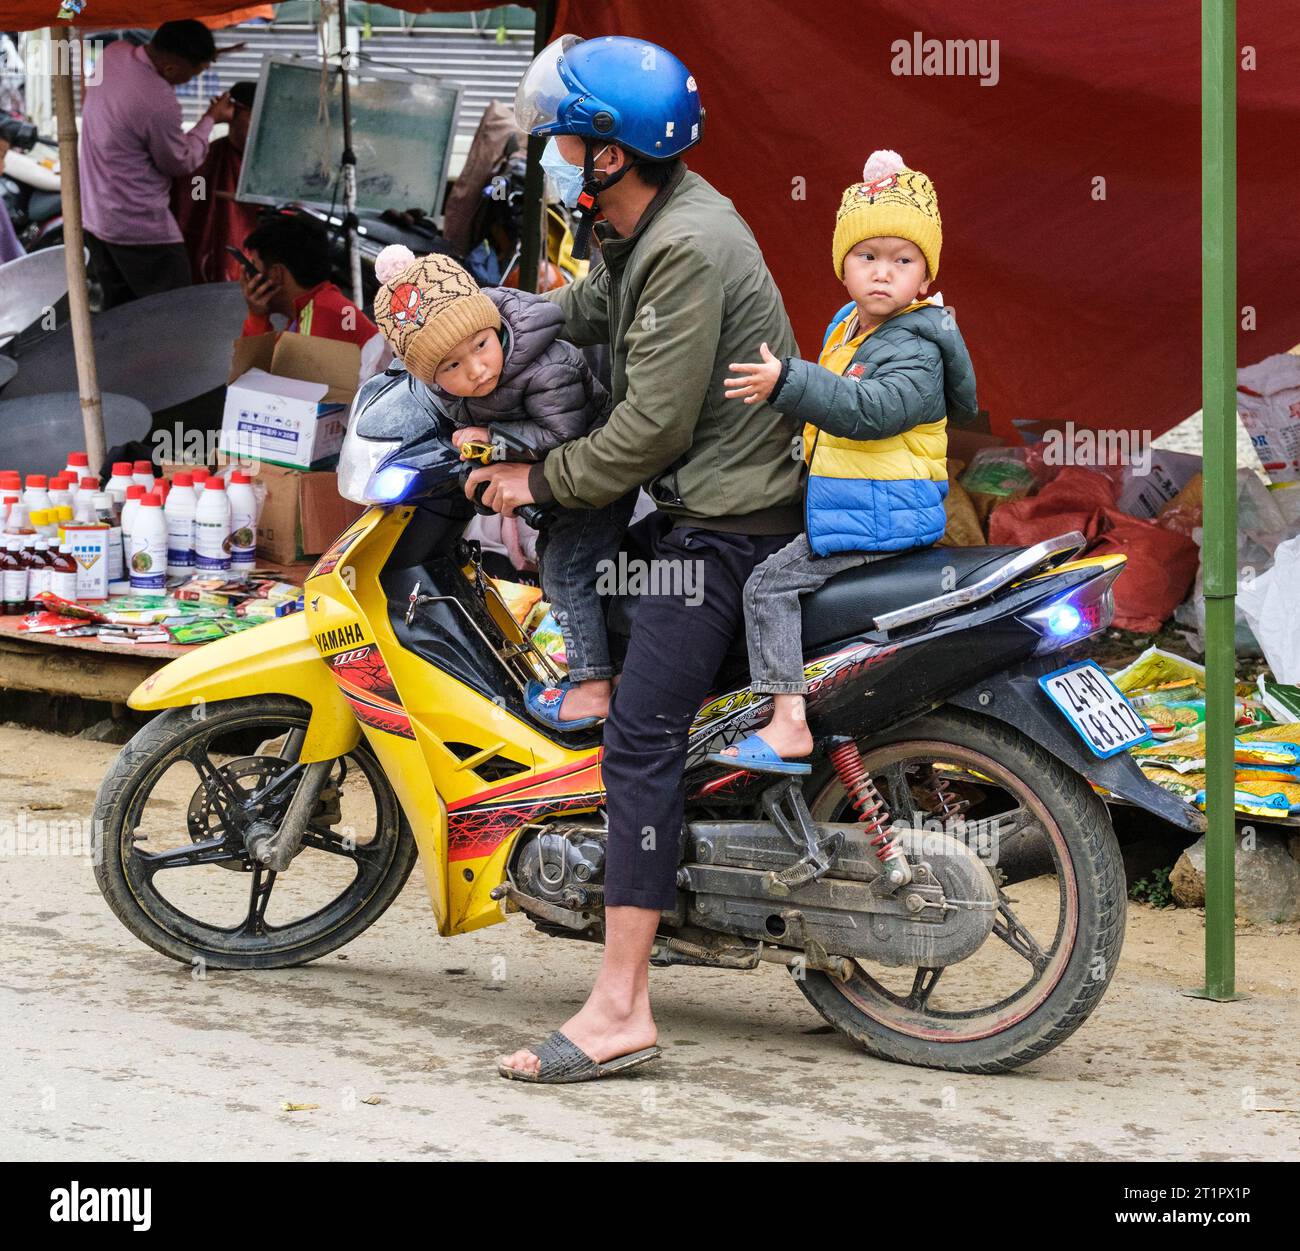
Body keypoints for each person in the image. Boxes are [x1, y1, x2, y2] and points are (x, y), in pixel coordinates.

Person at [467, 35, 804, 1083]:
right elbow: (586, 311)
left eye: (568, 133)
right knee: (594, 618)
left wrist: (540, 479)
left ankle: (620, 1008)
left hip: (722, 535)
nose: (557, 148)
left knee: (639, 741)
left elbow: (650, 429)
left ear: (608, 151)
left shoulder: (688, 244)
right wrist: (474, 336)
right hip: (700, 515)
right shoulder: (649, 223)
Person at [710, 149, 979, 773]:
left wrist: (787, 382)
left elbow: (869, 410)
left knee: (768, 585)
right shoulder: (848, 326)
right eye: (868, 257)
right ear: (843, 265)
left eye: (902, 261)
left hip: (884, 514)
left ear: (925, 276)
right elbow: (827, 409)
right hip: (855, 502)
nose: (883, 273)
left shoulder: (917, 346)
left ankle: (787, 722)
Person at [371, 243, 631, 729]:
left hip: (593, 479)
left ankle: (594, 689)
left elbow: (563, 434)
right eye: (450, 367)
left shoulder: (546, 364)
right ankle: (609, 676)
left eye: (480, 346)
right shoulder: (451, 380)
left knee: (565, 572)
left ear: (493, 323)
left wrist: (494, 441)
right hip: (551, 478)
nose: (475, 370)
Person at [79, 22, 234, 308]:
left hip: (96, 218)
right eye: (194, 74)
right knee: (174, 315)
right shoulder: (158, 100)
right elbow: (180, 161)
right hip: (138, 227)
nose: (192, 80)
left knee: (121, 314)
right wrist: (211, 119)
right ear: (171, 68)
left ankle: (122, 355)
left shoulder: (113, 53)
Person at [240, 211, 390, 378]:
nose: (247, 276)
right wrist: (257, 315)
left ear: (276, 274)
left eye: (252, 266)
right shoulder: (312, 308)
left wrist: (256, 317)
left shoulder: (324, 314)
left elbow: (259, 383)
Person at [173, 79, 261, 284]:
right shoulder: (208, 160)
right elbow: (194, 200)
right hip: (218, 250)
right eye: (252, 117)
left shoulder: (269, 163)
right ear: (233, 113)